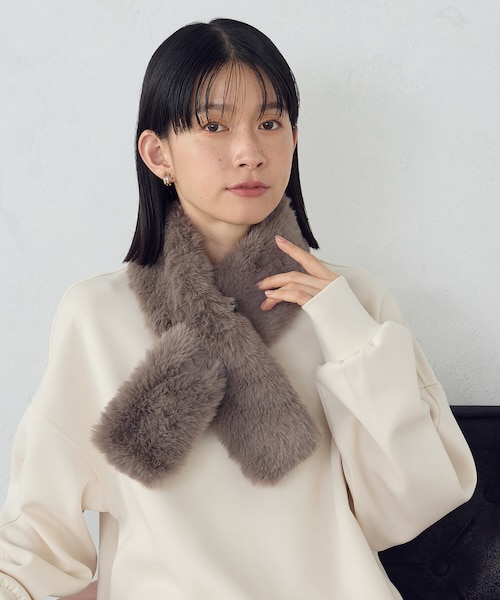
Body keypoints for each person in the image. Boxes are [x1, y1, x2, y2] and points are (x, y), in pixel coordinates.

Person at [0, 18, 475, 600]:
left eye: (270, 124)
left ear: (293, 139)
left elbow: (412, 504)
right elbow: (38, 535)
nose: (250, 153)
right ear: (158, 154)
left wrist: (346, 330)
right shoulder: (96, 315)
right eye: (214, 126)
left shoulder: (353, 303)